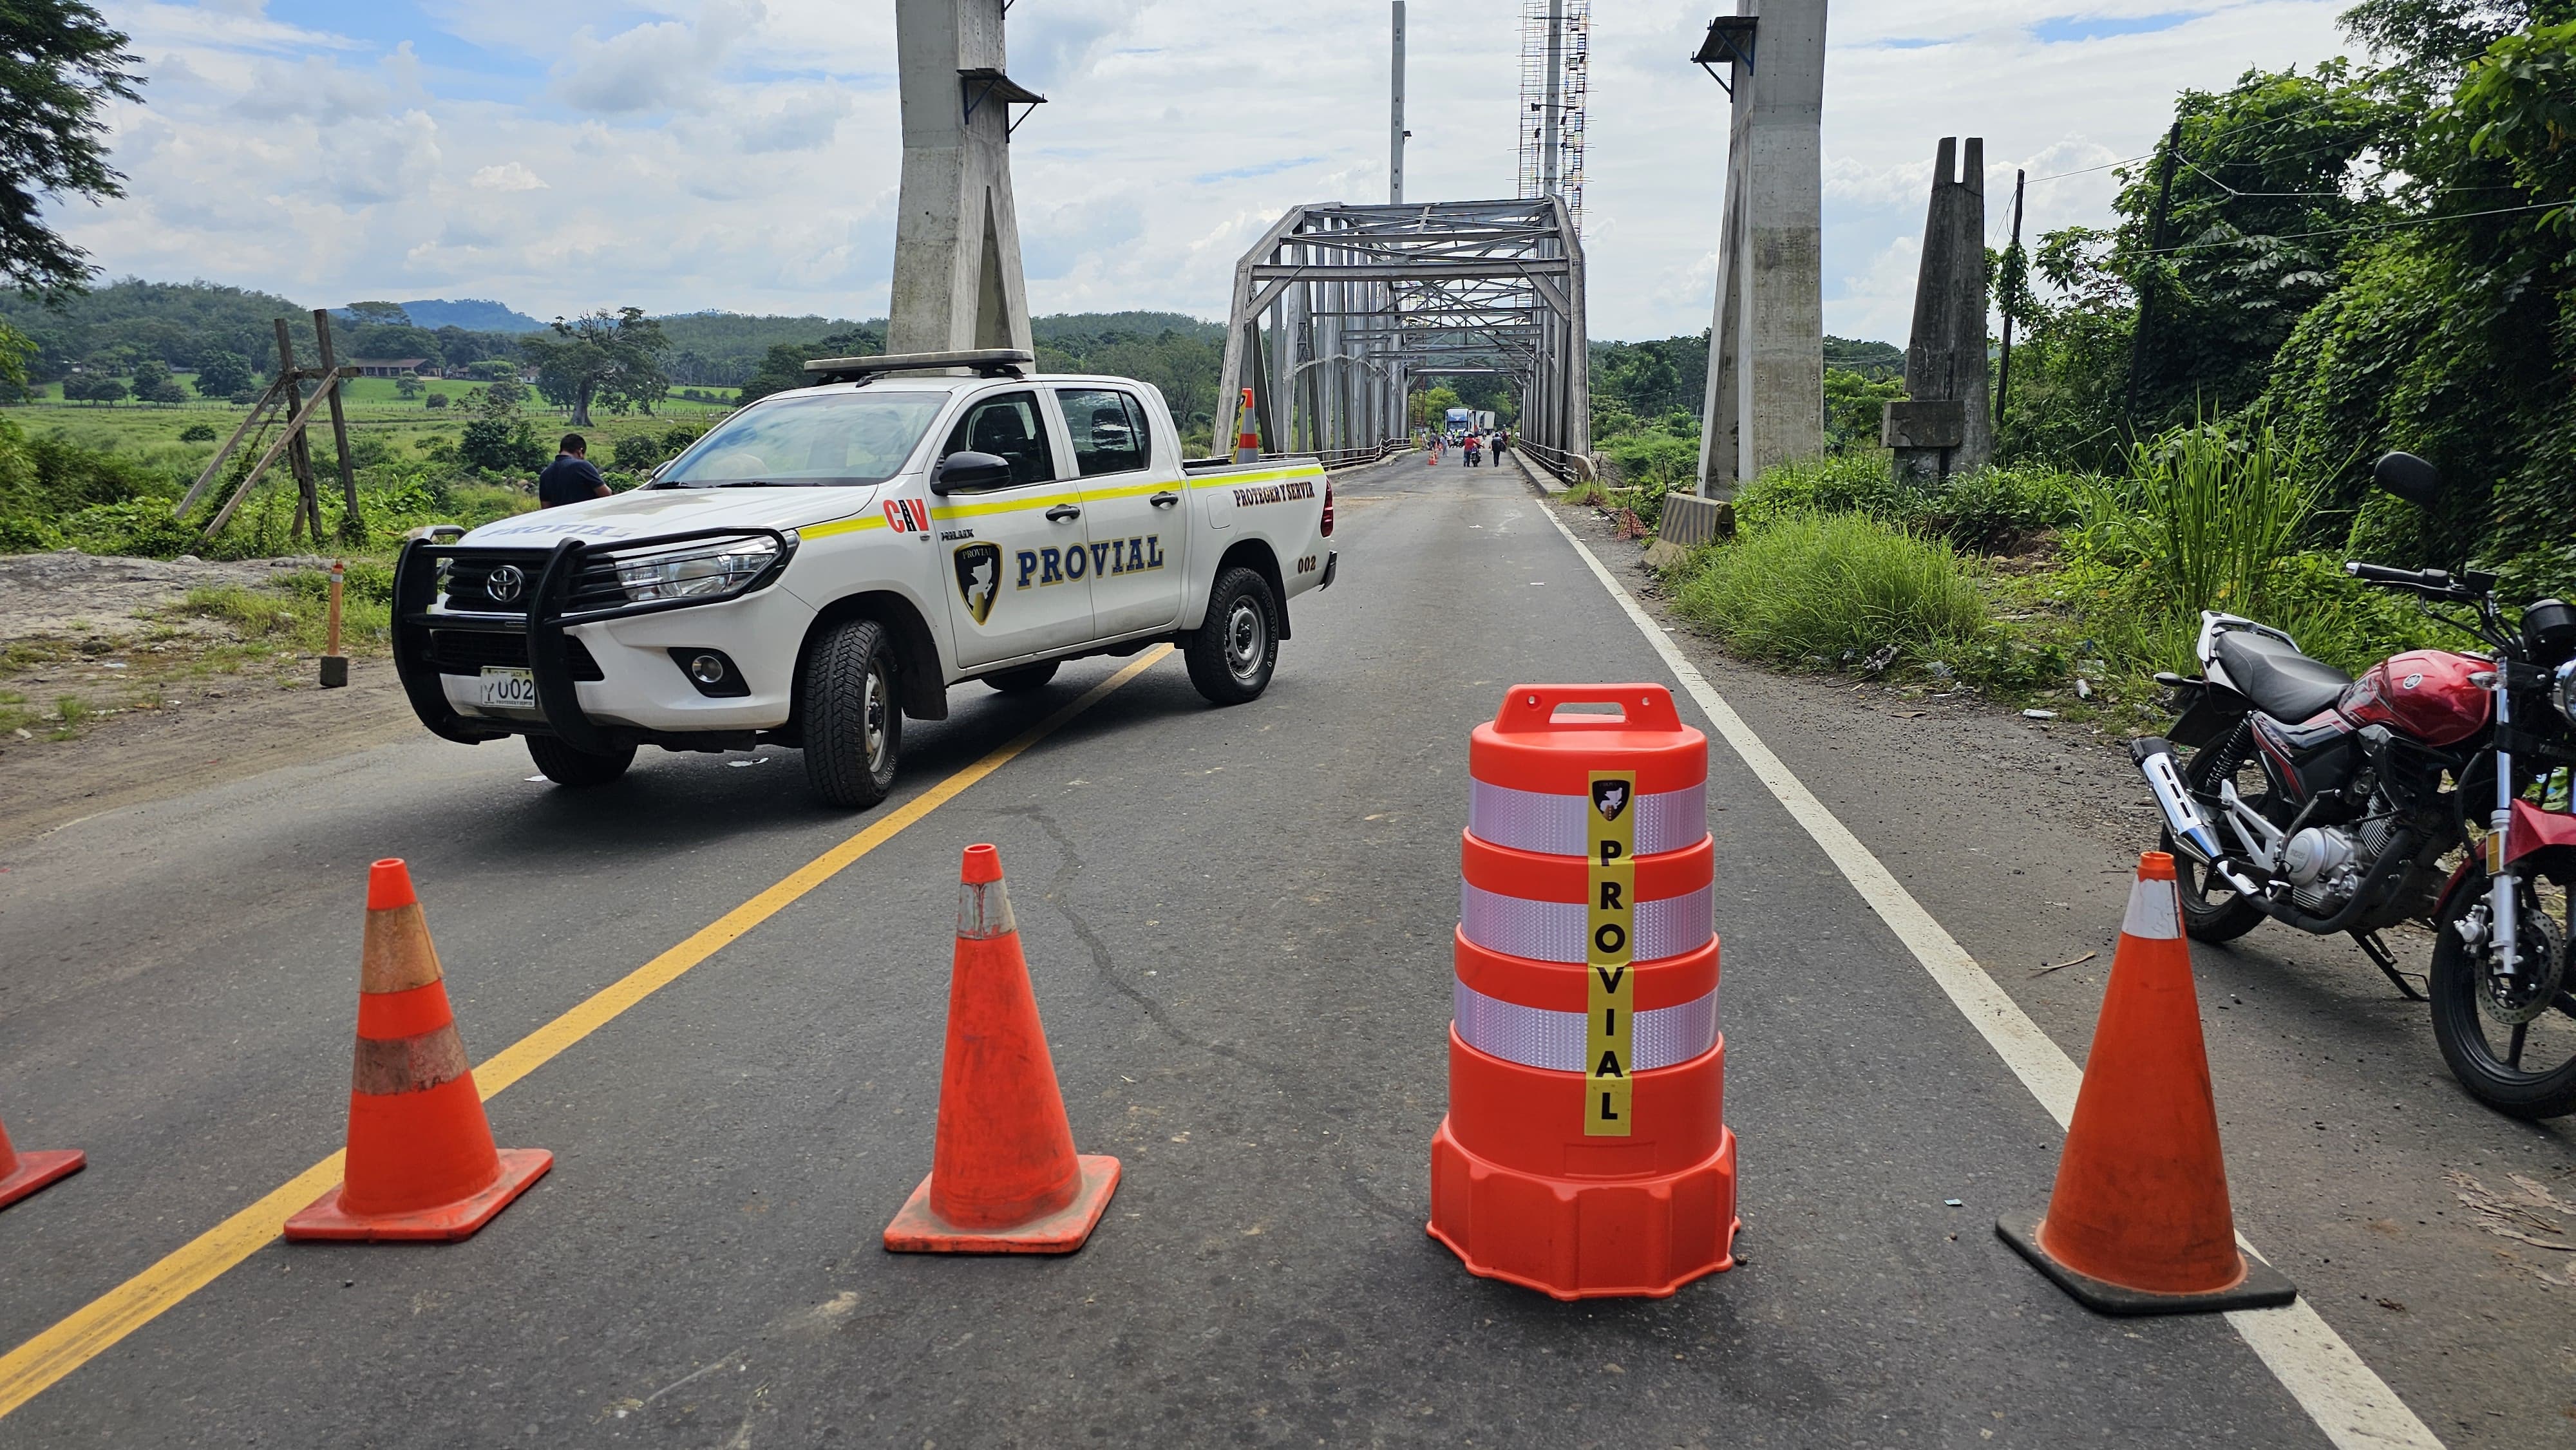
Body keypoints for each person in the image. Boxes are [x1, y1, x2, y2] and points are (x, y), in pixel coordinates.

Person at [536, 433, 611, 507]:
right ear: (580, 452)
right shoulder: (582, 466)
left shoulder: (545, 474)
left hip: (561, 518)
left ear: (560, 451)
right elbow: (606, 494)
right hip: (584, 517)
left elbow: (546, 507)